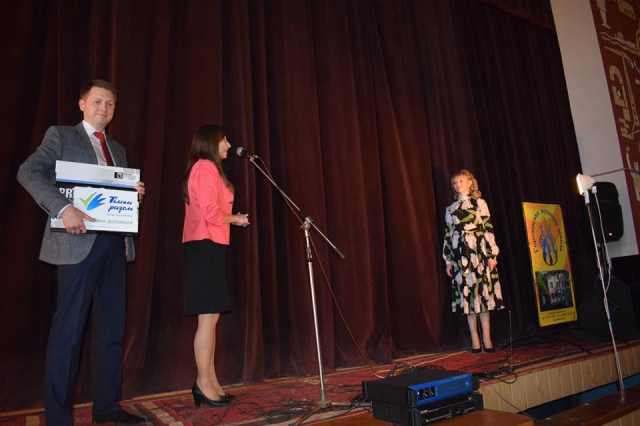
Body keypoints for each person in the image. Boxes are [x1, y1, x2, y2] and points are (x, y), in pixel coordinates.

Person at [17, 79, 146, 425]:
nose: (104, 108)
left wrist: (132, 197)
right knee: (69, 332)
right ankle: (59, 418)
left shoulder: (117, 149)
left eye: (110, 104)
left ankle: (107, 406)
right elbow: (28, 171)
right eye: (98, 101)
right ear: (82, 104)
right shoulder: (61, 136)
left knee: (112, 331)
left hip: (114, 245)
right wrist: (62, 208)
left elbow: (112, 197)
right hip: (76, 243)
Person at [181, 125, 250, 407]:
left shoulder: (208, 168)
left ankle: (211, 381)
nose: (228, 145)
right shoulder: (205, 167)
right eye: (224, 140)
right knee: (207, 318)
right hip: (204, 244)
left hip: (211, 244)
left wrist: (232, 219)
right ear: (211, 142)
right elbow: (210, 212)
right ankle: (202, 383)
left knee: (211, 318)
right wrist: (236, 218)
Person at [442, 169, 504, 353]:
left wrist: (492, 255)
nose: (457, 185)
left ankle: (487, 338)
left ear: (470, 182)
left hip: (479, 254)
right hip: (462, 257)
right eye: (455, 183)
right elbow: (448, 236)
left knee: (483, 295)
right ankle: (475, 338)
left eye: (461, 181)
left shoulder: (480, 203)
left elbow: (488, 228)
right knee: (468, 298)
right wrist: (448, 260)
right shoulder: (451, 209)